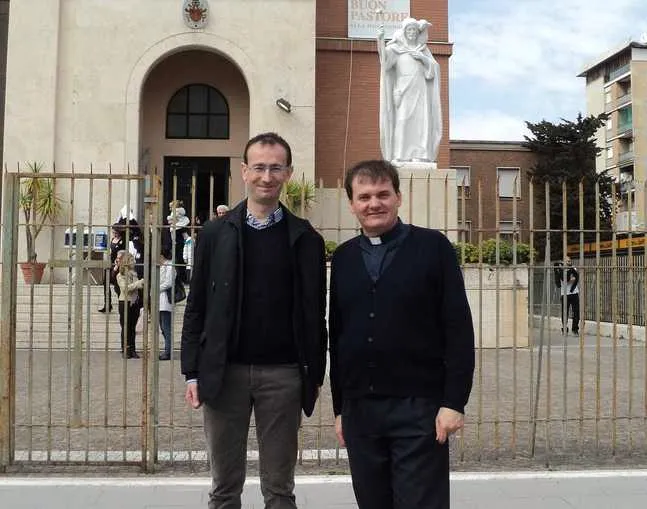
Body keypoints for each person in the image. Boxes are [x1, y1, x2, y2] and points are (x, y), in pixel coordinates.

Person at [181, 132, 327, 509]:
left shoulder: (305, 238)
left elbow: (315, 315)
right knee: (224, 487)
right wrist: (191, 372)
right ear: (244, 171)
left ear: (288, 173)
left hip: (283, 376)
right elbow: (196, 305)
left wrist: (313, 376)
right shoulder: (215, 234)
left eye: (275, 168)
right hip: (223, 372)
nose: (267, 176)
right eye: (259, 167)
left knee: (279, 489)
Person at [329, 159, 475, 509]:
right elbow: (338, 334)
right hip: (361, 410)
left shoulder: (433, 247)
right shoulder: (345, 257)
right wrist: (340, 408)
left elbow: (458, 328)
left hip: (419, 408)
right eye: (364, 196)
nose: (373, 203)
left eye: (383, 194)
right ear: (351, 203)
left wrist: (454, 402)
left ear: (399, 197)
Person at [377, 18, 442, 163]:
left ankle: (420, 155)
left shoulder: (423, 51)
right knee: (402, 121)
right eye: (409, 30)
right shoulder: (397, 49)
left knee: (421, 123)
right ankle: (399, 154)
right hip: (403, 91)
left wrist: (423, 59)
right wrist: (380, 39)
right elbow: (385, 63)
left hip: (420, 91)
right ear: (404, 32)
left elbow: (433, 71)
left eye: (414, 30)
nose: (411, 32)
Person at [115, 250, 144, 359]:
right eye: (132, 260)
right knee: (125, 326)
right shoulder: (120, 275)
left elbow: (136, 287)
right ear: (127, 261)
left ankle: (133, 349)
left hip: (134, 302)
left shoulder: (134, 273)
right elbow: (125, 288)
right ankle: (125, 349)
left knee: (132, 327)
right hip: (125, 302)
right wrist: (138, 283)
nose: (134, 261)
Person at [158, 247, 176, 361]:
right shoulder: (162, 266)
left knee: (166, 326)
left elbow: (168, 283)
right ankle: (167, 349)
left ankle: (168, 351)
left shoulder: (170, 266)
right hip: (159, 299)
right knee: (162, 326)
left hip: (166, 300)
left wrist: (156, 288)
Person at [557, 257, 580, 334]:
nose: (568, 262)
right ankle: (564, 328)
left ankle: (575, 329)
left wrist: (570, 278)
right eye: (567, 261)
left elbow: (575, 278)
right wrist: (569, 279)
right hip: (564, 294)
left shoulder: (573, 268)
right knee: (565, 312)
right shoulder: (560, 270)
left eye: (569, 261)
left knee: (576, 311)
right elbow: (565, 280)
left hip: (574, 293)